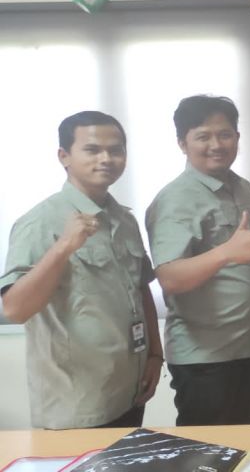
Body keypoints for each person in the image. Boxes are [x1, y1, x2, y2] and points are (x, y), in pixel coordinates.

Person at [1, 111, 162, 429]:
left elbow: (140, 288)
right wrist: (63, 247)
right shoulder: (40, 222)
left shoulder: (124, 219)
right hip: (77, 402)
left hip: (129, 389)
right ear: (64, 156)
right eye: (92, 149)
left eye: (116, 150)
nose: (106, 159)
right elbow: (15, 309)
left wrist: (155, 355)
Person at [145, 95, 250, 426]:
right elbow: (170, 278)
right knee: (206, 448)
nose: (216, 145)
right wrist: (226, 252)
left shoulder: (243, 188)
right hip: (205, 356)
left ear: (237, 137)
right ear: (182, 143)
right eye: (203, 136)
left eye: (225, 134)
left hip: (248, 343)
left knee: (240, 439)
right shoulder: (176, 199)